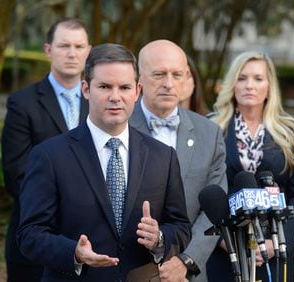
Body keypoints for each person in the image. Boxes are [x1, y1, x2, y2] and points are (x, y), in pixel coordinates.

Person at [17, 43, 191, 281]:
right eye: (105, 86)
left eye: (125, 87)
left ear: (137, 91)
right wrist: (74, 253)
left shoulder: (163, 156)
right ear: (86, 89)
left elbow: (180, 225)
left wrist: (159, 238)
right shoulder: (49, 156)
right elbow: (29, 234)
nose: (115, 97)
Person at [207, 51, 294, 282]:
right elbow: (199, 194)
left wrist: (276, 243)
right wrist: (223, 240)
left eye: (258, 78)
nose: (249, 86)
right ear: (232, 83)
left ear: (269, 85)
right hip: (225, 248)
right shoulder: (212, 127)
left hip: (276, 247)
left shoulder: (289, 131)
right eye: (242, 78)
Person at [1, 18, 91, 281]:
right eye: (64, 45)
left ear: (89, 50)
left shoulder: (100, 101)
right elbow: (16, 174)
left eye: (78, 46)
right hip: (36, 242)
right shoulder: (22, 103)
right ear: (48, 50)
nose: (72, 53)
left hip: (92, 243)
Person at [130, 39, 227, 281]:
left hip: (189, 273)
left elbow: (213, 211)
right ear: (139, 78)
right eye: (159, 74)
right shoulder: (118, 127)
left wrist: (187, 261)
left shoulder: (209, 133)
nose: (169, 84)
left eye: (177, 74)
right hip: (130, 268)